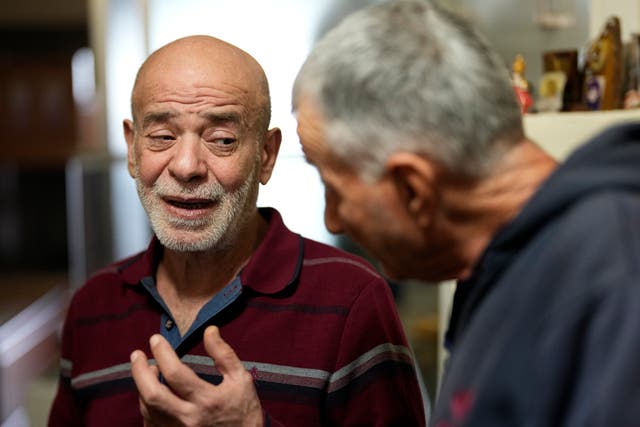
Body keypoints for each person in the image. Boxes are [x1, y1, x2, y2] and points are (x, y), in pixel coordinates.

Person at [48, 35, 427, 426]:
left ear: (266, 155)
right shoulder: (92, 306)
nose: (186, 166)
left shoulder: (353, 300)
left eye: (222, 140)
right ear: (132, 149)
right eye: (162, 137)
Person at [292, 1, 640, 426]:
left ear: (413, 189)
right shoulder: (502, 266)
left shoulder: (614, 270)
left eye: (333, 186)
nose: (334, 221)